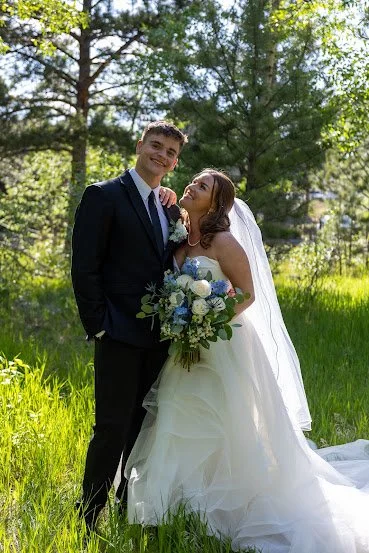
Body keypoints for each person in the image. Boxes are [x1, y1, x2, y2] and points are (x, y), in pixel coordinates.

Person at [125, 169, 369, 553]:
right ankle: (177, 507)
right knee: (179, 417)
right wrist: (184, 322)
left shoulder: (224, 242)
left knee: (228, 423)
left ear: (217, 203)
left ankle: (227, 509)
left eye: (202, 187)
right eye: (193, 181)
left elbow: (247, 294)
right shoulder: (179, 236)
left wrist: (205, 320)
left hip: (224, 345)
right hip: (185, 347)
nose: (192, 186)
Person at [71, 120, 188, 530]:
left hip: (159, 337)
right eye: (156, 146)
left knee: (142, 428)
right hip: (117, 332)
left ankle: (127, 509)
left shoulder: (170, 206)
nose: (162, 155)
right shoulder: (103, 196)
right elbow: (85, 266)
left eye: (171, 153)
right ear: (139, 145)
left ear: (174, 163)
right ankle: (86, 517)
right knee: (111, 429)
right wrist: (98, 325)